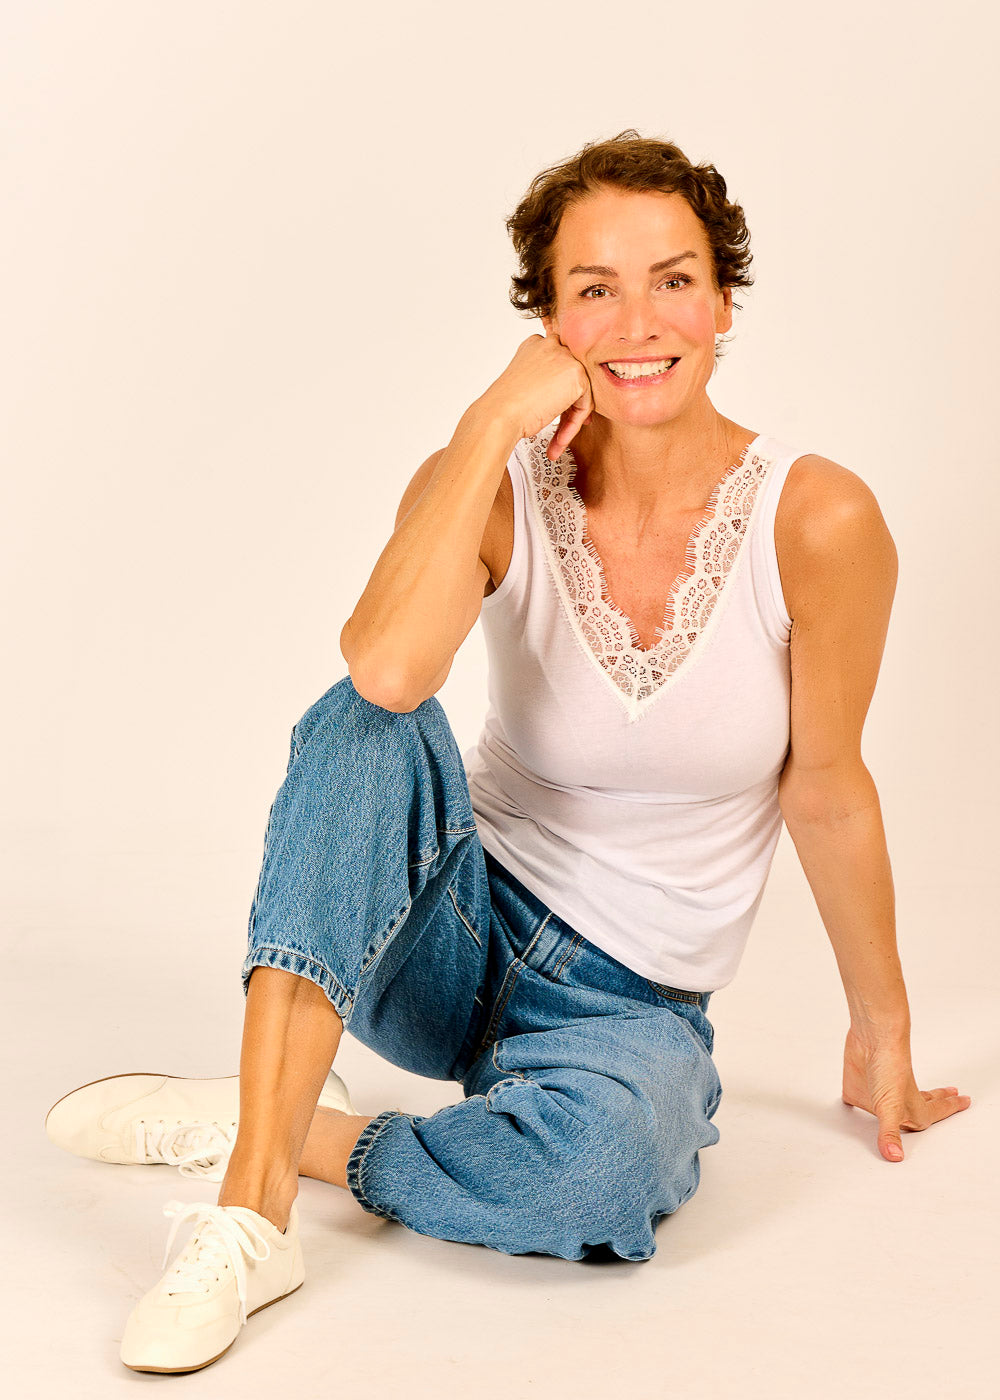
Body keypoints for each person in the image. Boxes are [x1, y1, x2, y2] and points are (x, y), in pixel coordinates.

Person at [45, 129, 971, 1375]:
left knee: (607, 1175)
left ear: (723, 301)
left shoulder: (815, 517)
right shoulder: (491, 478)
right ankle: (251, 1208)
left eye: (673, 279)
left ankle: (293, 1127)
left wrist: (882, 1027)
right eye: (594, 288)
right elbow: (383, 675)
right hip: (446, 931)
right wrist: (490, 420)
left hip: (628, 1003)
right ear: (548, 321)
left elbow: (828, 786)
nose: (637, 322)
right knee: (362, 719)